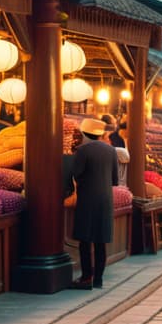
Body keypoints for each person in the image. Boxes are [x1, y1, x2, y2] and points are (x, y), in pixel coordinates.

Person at [67, 117, 119, 290]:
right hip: (105, 200)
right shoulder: (111, 151)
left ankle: (86, 277)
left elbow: (76, 174)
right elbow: (114, 180)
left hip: (87, 199)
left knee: (85, 240)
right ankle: (98, 279)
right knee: (100, 241)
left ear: (84, 133)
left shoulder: (82, 151)